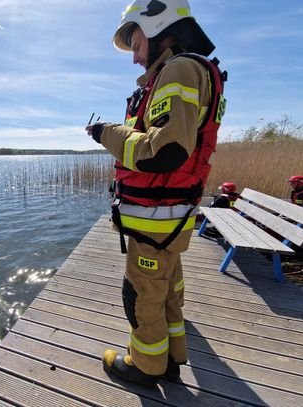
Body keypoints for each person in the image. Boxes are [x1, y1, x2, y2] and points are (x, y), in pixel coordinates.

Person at [85, 0, 227, 386]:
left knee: (141, 293)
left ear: (157, 28)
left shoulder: (179, 69)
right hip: (170, 215)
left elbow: (163, 151)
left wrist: (105, 134)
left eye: (135, 45)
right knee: (165, 287)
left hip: (157, 216)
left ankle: (146, 366)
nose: (134, 59)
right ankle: (172, 355)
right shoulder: (195, 70)